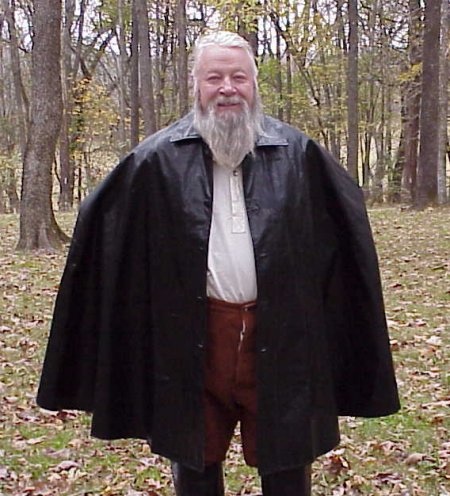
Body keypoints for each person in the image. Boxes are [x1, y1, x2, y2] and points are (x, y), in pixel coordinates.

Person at [37, 31, 400, 495]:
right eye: (214, 78)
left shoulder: (298, 154)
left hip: (281, 339)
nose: (227, 88)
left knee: (288, 463)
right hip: (192, 340)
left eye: (238, 77)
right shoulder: (156, 160)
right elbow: (108, 240)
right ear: (195, 84)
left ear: (254, 84)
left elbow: (343, 246)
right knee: (195, 461)